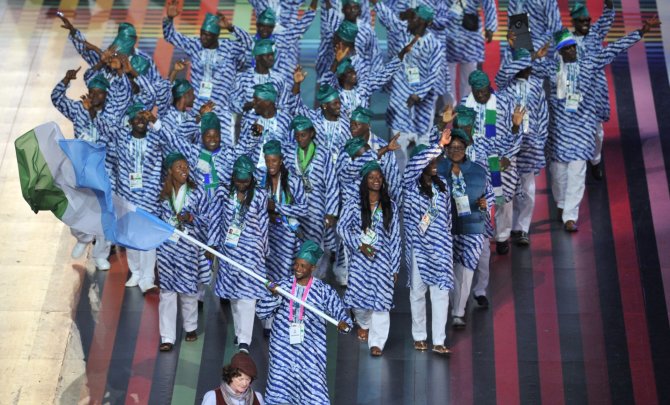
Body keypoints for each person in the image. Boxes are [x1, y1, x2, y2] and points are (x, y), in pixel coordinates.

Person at [539, 18, 659, 232]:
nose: (571, 52)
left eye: (573, 47)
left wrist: (640, 32)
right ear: (559, 52)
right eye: (566, 49)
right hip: (558, 134)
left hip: (582, 131)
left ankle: (570, 216)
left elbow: (613, 49)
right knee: (558, 175)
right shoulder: (551, 70)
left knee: (576, 174)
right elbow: (524, 65)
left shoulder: (588, 64)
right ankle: (560, 205)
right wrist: (523, 44)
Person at [51, 69, 130, 269]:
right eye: (92, 91)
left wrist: (94, 114)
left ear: (106, 95)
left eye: (99, 92)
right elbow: (56, 99)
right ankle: (83, 237)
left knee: (105, 213)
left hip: (105, 171)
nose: (95, 96)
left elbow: (111, 135)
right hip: (81, 170)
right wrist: (66, 80)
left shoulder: (112, 114)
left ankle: (100, 254)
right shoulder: (79, 109)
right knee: (74, 207)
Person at [257, 240, 352, 405]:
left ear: (312, 268)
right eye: (296, 265)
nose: (298, 269)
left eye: (303, 266)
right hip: (282, 350)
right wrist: (274, 296)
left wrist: (343, 323)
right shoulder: (282, 287)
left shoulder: (323, 291)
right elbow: (261, 312)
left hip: (311, 352)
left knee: (313, 391)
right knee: (280, 388)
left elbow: (341, 316)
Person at [99, 103, 169, 293]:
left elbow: (170, 139)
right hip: (127, 197)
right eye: (135, 117)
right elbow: (105, 132)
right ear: (129, 121)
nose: (140, 120)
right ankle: (135, 272)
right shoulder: (121, 138)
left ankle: (148, 277)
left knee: (147, 238)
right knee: (130, 236)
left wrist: (156, 121)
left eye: (143, 117)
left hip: (150, 198)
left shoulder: (156, 139)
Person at [337, 160, 400, 356]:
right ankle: (363, 322)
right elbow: (341, 228)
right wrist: (359, 243)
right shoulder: (353, 204)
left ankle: (377, 342)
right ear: (365, 181)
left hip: (383, 260)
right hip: (360, 260)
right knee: (359, 301)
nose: (376, 181)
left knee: (382, 301)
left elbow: (396, 237)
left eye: (379, 177)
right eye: (372, 177)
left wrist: (395, 267)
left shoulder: (390, 205)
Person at [208, 155, 268, 354]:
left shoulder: (259, 195)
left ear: (252, 178)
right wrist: (213, 246)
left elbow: (264, 224)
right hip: (229, 253)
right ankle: (239, 331)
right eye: (238, 180)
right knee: (233, 295)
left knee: (248, 297)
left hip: (251, 252)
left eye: (246, 180)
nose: (242, 184)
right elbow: (216, 218)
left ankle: (245, 341)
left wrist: (263, 250)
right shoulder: (224, 192)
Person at [372, 0, 443, 170]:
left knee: (423, 139)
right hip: (400, 94)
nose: (411, 21)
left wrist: (419, 94)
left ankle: (421, 176)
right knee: (399, 138)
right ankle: (399, 175)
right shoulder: (402, 31)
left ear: (426, 23)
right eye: (412, 17)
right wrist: (377, 3)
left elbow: (434, 73)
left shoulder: (434, 44)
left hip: (423, 101)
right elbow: (389, 18)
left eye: (416, 19)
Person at [403, 129, 454, 354]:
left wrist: (447, 243)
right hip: (419, 249)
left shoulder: (442, 185)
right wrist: (439, 145)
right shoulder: (410, 184)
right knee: (417, 293)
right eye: (431, 161)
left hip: (441, 248)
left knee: (441, 293)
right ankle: (420, 336)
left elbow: (448, 218)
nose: (435, 164)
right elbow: (415, 166)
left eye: (437, 161)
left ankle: (439, 340)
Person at [437, 129, 494, 329]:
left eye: (459, 147)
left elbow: (490, 195)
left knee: (467, 269)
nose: (455, 151)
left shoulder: (479, 171)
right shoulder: (436, 169)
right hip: (444, 227)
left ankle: (458, 312)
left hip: (472, 226)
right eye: (451, 147)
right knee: (449, 270)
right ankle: (454, 305)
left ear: (466, 148)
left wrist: (487, 203)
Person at [495, 46, 549, 247]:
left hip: (529, 146)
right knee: (505, 192)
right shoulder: (504, 87)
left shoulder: (536, 86)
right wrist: (528, 57)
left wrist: (540, 140)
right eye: (522, 65)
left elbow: (543, 116)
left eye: (527, 65)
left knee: (527, 189)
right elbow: (501, 75)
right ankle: (502, 234)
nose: (525, 69)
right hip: (508, 147)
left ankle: (522, 228)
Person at [156, 152, 209, 352]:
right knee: (167, 293)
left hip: (188, 249)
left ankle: (190, 327)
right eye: (179, 167)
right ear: (170, 171)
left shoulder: (197, 193)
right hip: (166, 250)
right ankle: (167, 336)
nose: (184, 170)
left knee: (188, 290)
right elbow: (157, 222)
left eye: (185, 167)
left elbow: (207, 219)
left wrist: (192, 219)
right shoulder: (162, 195)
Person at [164, 1, 251, 112]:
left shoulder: (229, 47)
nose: (203, 38)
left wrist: (231, 28)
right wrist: (169, 19)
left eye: (208, 35)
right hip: (198, 109)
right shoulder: (195, 45)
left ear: (216, 36)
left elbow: (250, 45)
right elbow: (170, 36)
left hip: (222, 109)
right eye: (202, 33)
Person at [283, 115, 340, 278]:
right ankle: (297, 280)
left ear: (312, 134)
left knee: (315, 244)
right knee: (296, 242)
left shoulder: (323, 153)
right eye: (297, 135)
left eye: (303, 135)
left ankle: (315, 280)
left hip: (317, 208)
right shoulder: (289, 152)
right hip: (296, 207)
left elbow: (332, 183)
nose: (300, 138)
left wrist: (331, 212)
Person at [570, 0, 615, 180]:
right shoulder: (565, 39)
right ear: (574, 22)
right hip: (575, 92)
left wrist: (609, 2)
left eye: (588, 20)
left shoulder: (596, 34)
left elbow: (608, 16)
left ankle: (595, 162)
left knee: (598, 133)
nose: (586, 24)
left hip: (595, 93)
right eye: (581, 21)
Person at [319, 35, 416, 117]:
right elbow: (325, 85)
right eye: (350, 72)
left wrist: (402, 53)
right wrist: (336, 61)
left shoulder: (363, 88)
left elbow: (385, 73)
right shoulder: (335, 93)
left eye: (354, 71)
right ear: (342, 76)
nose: (355, 74)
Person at [240, 2, 317, 77]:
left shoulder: (282, 38)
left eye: (269, 26)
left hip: (277, 84)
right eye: (262, 25)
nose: (265, 29)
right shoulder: (250, 42)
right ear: (257, 25)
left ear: (272, 27)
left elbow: (303, 24)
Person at [292, 69, 350, 165]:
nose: (339, 106)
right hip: (317, 170)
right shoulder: (314, 120)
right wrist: (297, 84)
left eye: (339, 102)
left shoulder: (346, 123)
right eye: (335, 103)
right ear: (324, 106)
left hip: (340, 172)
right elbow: (296, 107)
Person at [444, 0, 497, 102]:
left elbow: (489, 3)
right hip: (448, 33)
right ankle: (449, 108)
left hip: (470, 37)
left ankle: (465, 108)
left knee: (469, 74)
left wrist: (490, 27)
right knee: (447, 76)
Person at [318, 0, 382, 80]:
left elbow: (375, 55)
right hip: (337, 77)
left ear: (360, 11)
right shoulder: (335, 26)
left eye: (355, 8)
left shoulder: (367, 30)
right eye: (349, 8)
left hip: (360, 77)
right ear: (343, 10)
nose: (352, 11)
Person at [237, 83, 294, 171]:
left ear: (267, 102)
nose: (253, 103)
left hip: (278, 172)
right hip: (253, 173)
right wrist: (254, 136)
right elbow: (242, 150)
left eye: (256, 100)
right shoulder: (249, 118)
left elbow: (291, 149)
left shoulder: (285, 119)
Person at [232, 39, 292, 114]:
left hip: (273, 123)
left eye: (272, 55)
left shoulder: (279, 79)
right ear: (257, 57)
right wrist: (247, 106)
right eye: (267, 55)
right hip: (250, 123)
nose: (271, 58)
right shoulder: (242, 78)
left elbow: (285, 106)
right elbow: (233, 102)